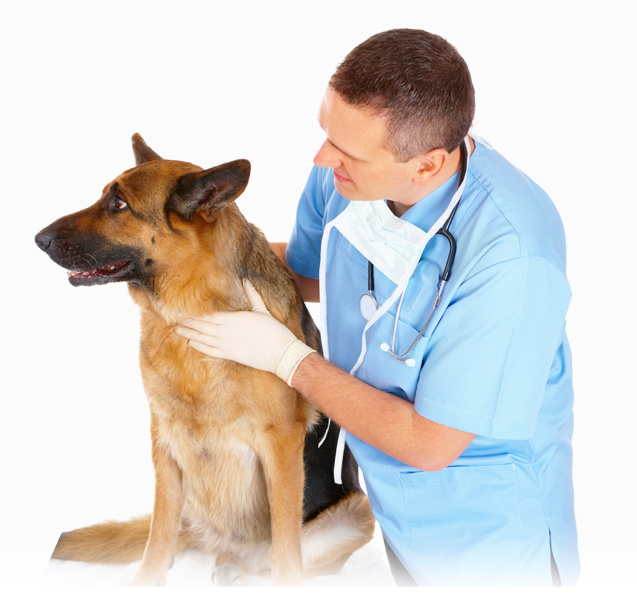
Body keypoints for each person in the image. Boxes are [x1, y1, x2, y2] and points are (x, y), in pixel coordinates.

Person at [175, 29, 577, 586]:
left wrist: (288, 360)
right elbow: (309, 271)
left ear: (427, 167)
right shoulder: (344, 170)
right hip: (390, 499)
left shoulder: (513, 258)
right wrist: (190, 261)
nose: (322, 158)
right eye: (326, 132)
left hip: (486, 526)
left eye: (348, 152)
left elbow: (429, 444)